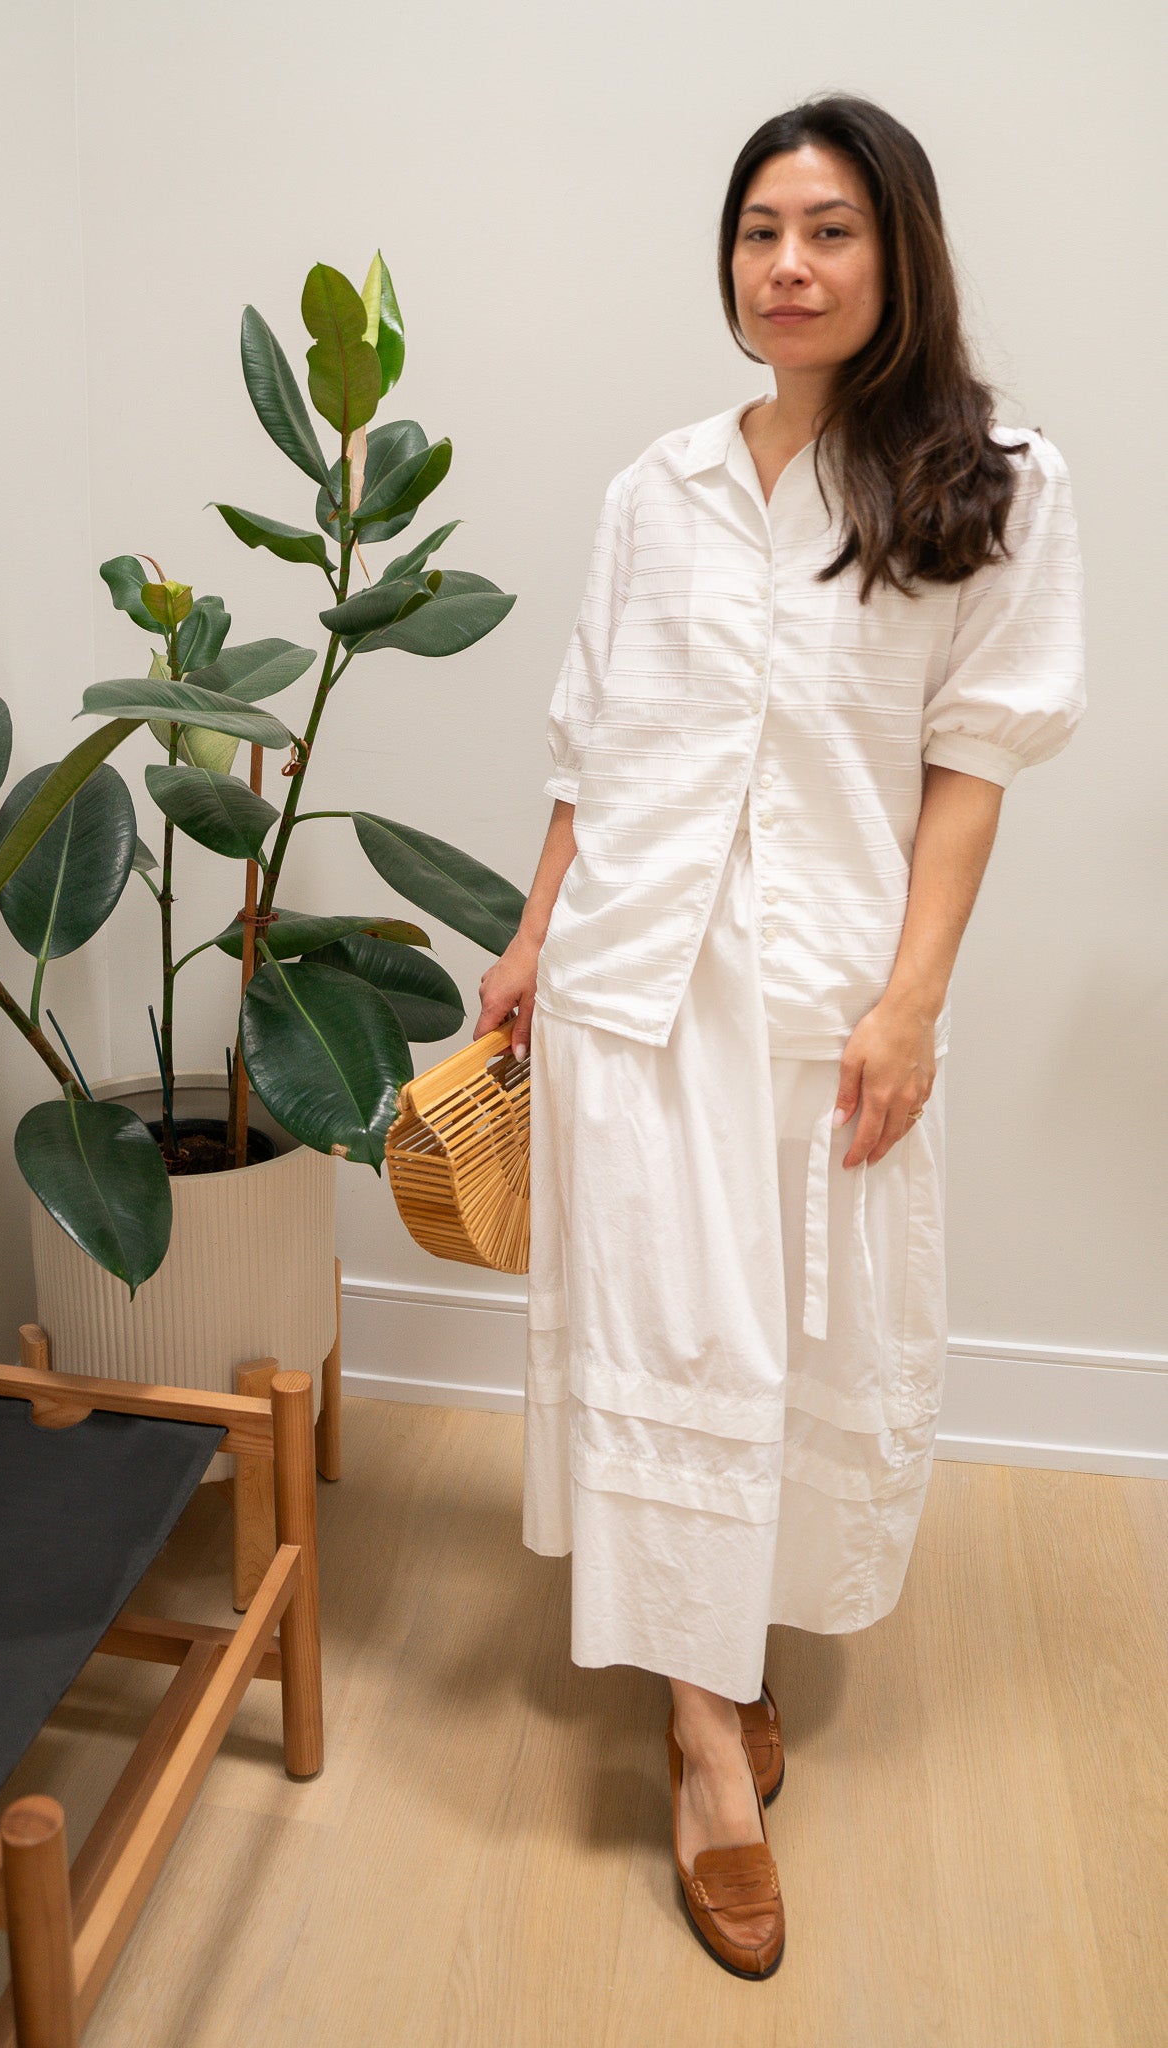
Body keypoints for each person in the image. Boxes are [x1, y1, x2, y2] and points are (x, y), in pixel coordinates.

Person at [474, 93, 1086, 1979]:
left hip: (824, 996)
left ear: (895, 252)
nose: (788, 266)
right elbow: (599, 739)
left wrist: (913, 1001)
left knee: (799, 1339)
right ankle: (699, 1742)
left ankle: (726, 1656)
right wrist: (528, 930)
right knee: (671, 1328)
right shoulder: (657, 488)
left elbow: (973, 765)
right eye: (758, 232)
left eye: (826, 230)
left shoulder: (990, 482)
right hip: (628, 987)